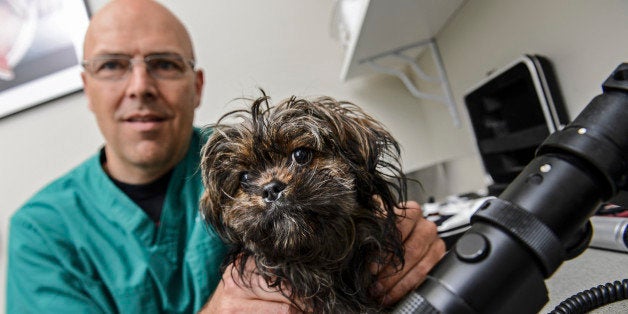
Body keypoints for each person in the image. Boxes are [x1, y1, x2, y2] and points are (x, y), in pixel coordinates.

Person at [6, 0, 446, 313]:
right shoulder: (41, 231)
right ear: (88, 90)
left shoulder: (240, 149)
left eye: (163, 63)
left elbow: (353, 189)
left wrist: (397, 229)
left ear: (196, 86)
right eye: (111, 66)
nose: (139, 86)